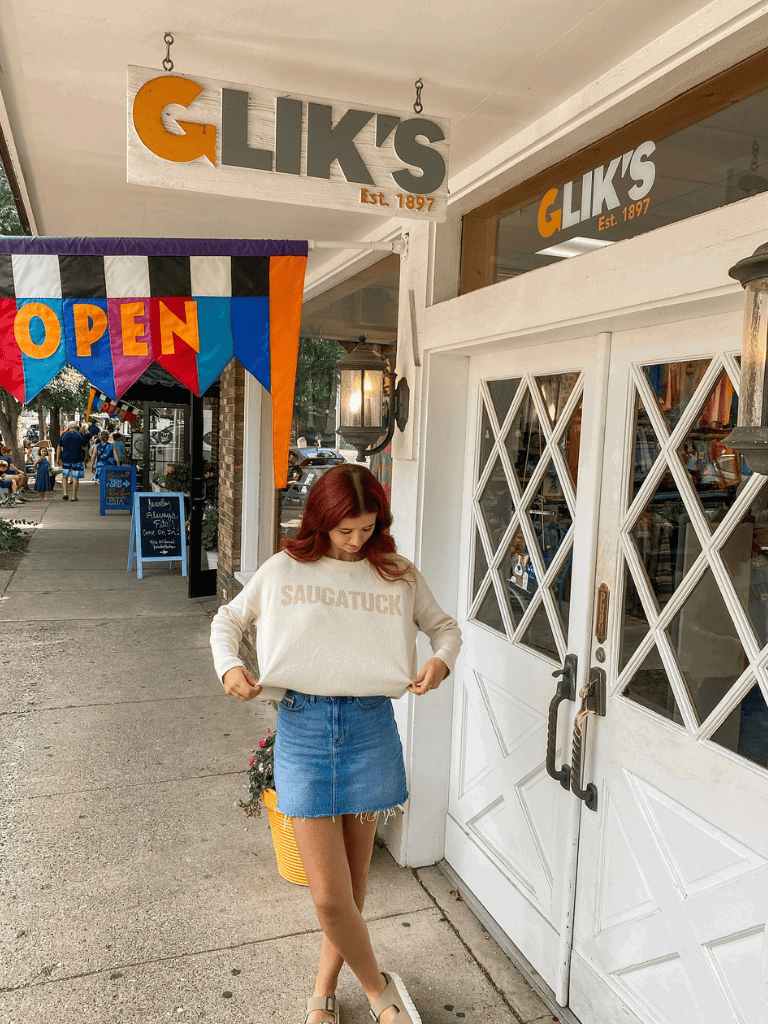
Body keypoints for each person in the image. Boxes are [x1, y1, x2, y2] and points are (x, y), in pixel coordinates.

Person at [210, 464, 462, 1024]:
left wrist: (440, 662)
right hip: (304, 728)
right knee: (328, 894)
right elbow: (228, 619)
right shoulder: (283, 569)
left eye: (368, 529)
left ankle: (323, 989)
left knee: (353, 881)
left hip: (371, 728)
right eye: (345, 530)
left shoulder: (397, 574)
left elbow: (445, 628)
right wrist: (228, 666)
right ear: (320, 521)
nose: (355, 541)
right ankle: (378, 988)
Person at [56, 423, 88, 500]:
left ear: (69, 426)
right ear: (76, 427)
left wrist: (58, 458)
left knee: (65, 476)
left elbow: (59, 447)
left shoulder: (64, 435)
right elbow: (86, 447)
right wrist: (87, 456)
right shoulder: (80, 435)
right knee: (75, 477)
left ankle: (65, 493)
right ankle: (74, 496)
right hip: (77, 458)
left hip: (66, 458)